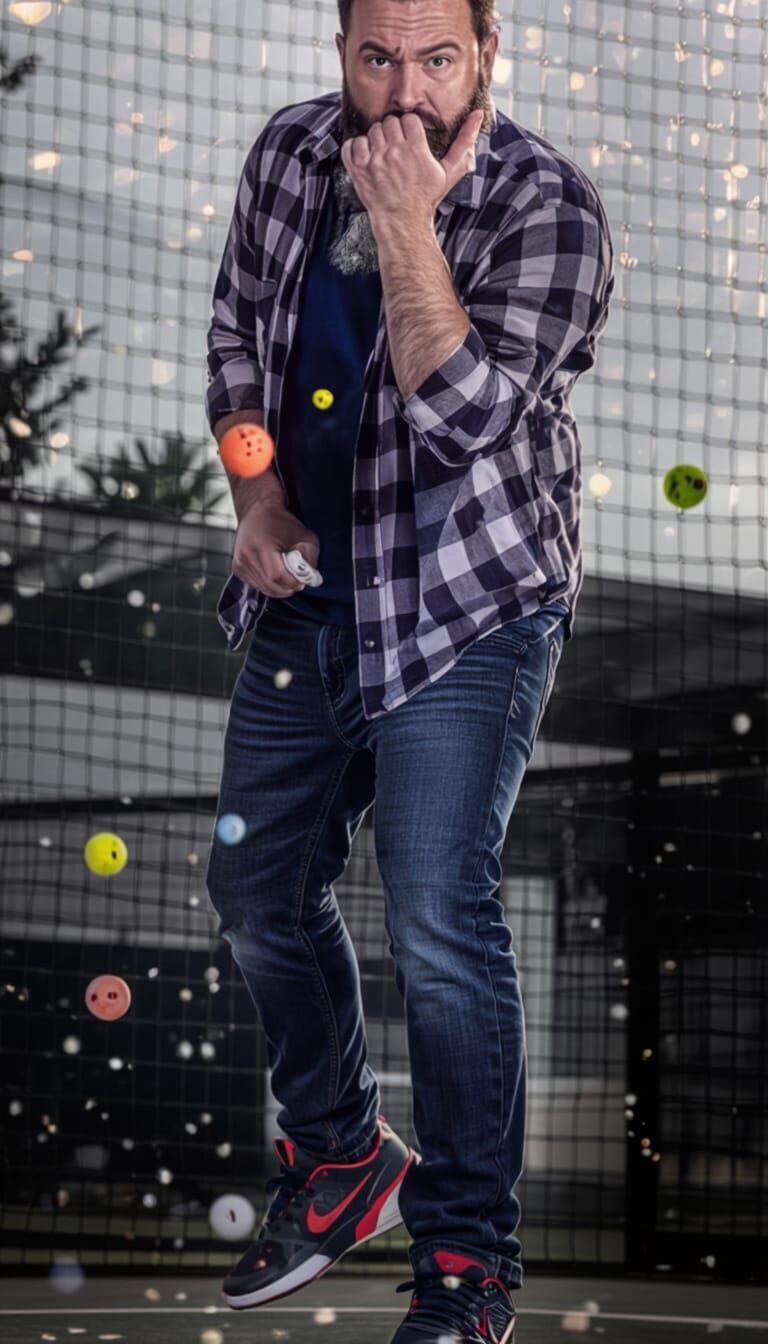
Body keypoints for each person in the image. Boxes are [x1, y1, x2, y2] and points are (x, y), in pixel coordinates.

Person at [204, 0, 614, 1338]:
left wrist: (404, 223)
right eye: (375, 58)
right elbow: (235, 358)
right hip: (314, 590)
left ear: (487, 54)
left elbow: (457, 426)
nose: (401, 95)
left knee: (438, 916)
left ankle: (466, 1265)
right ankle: (337, 1154)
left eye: (436, 59)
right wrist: (256, 506)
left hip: (468, 604)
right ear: (340, 53)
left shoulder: (553, 211)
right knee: (255, 881)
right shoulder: (286, 154)